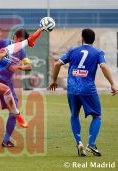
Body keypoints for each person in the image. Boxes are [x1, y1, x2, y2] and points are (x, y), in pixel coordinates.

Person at [49, 28, 118, 157]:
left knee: (74, 115)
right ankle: (91, 144)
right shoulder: (98, 52)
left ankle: (79, 142)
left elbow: (57, 64)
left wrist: (53, 80)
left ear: (82, 38)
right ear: (93, 39)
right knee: (97, 116)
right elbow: (103, 66)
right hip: (88, 89)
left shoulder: (73, 51)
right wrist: (113, 84)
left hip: (72, 89)